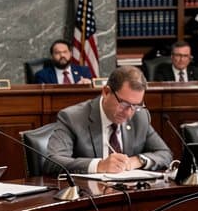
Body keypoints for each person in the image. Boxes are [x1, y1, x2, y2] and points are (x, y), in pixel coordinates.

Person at [44, 65, 173, 175]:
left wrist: (138, 160)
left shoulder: (139, 116)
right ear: (106, 92)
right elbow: (52, 162)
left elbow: (165, 154)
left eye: (136, 106)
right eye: (124, 104)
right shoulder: (72, 118)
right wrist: (99, 165)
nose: (129, 113)